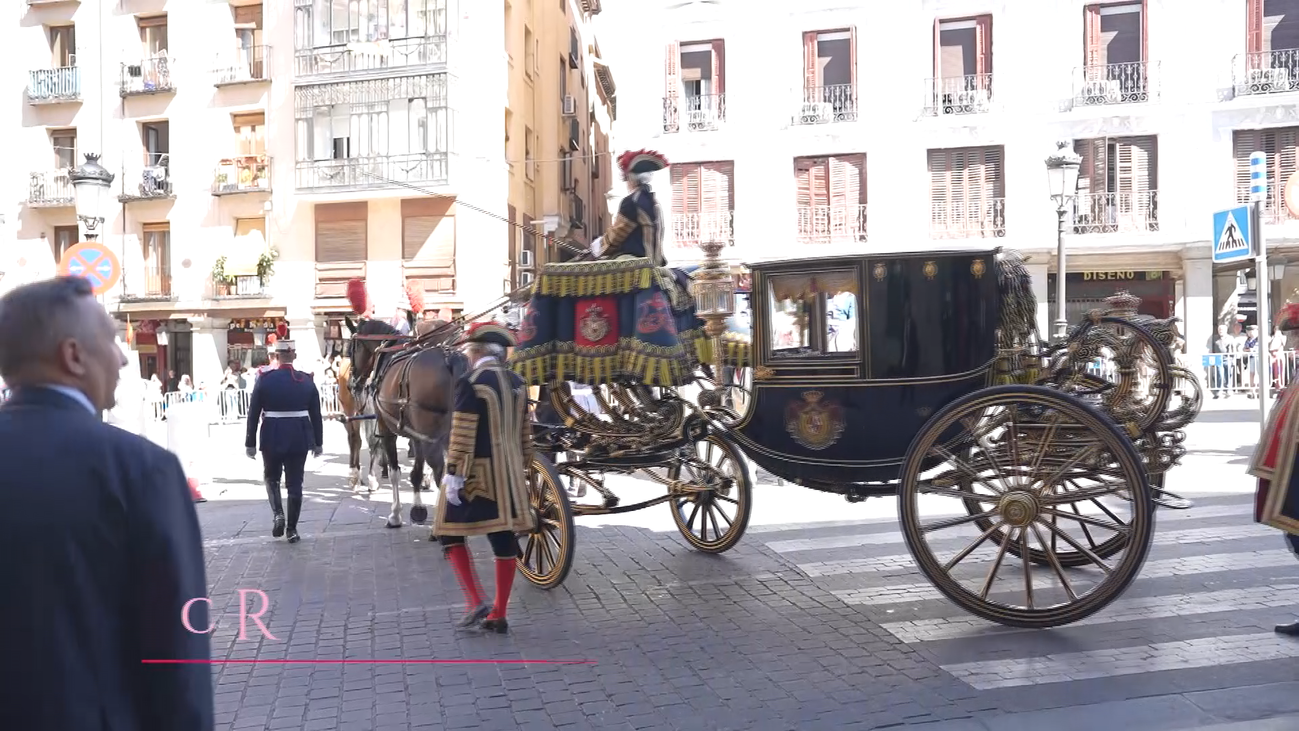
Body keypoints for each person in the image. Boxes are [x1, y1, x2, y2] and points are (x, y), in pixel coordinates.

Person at [0, 276, 213, 730]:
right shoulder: (140, 470)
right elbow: (175, 654)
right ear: (73, 355)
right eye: (112, 342)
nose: (119, 358)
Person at [434, 322, 536, 633]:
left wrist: (453, 474)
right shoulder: (518, 382)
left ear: (477, 351)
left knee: (447, 530)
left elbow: (462, 432)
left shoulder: (471, 382)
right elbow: (525, 433)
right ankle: (499, 613)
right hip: (510, 475)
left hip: (478, 474)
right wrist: (525, 467)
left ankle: (476, 599)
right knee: (502, 538)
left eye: (469, 351)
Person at [245, 339, 324, 543]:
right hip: (299, 435)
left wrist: (250, 443)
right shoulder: (306, 380)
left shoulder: (265, 379)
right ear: (294, 356)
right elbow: (316, 414)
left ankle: (278, 513)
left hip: (272, 433)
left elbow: (253, 413)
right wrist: (318, 442)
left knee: (272, 478)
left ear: (276, 357)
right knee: (295, 483)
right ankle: (292, 529)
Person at [590, 149, 670, 267]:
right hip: (656, 264)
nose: (627, 183)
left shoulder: (631, 202)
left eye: (626, 178)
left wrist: (597, 246)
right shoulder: (655, 203)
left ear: (632, 178)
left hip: (636, 265)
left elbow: (615, 237)